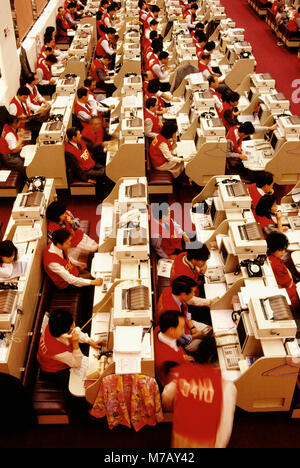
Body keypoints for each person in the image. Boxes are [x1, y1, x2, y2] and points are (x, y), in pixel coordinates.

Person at [162, 361, 237, 448]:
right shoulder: (224, 385)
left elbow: (166, 397)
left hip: (181, 433)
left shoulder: (180, 372)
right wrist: (219, 445)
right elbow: (226, 423)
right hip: (204, 438)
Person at [37, 308, 104, 391]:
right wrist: (75, 343)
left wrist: (89, 341)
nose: (74, 326)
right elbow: (76, 363)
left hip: (63, 353)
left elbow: (75, 332)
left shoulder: (55, 325)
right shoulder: (55, 350)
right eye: (71, 325)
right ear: (64, 332)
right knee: (80, 385)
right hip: (54, 369)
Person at [156, 276, 217, 363]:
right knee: (208, 344)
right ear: (184, 294)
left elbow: (185, 313)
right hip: (183, 338)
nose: (193, 295)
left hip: (184, 328)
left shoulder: (171, 292)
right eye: (192, 293)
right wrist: (197, 335)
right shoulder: (172, 312)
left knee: (212, 331)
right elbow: (180, 339)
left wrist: (192, 327)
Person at [170, 241, 219, 324]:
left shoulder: (184, 255)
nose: (204, 263)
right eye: (202, 261)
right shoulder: (184, 276)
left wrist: (202, 266)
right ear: (194, 259)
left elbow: (195, 266)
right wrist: (210, 302)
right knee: (211, 315)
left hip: (190, 290)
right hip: (187, 301)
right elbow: (190, 300)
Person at [46, 201, 98, 269]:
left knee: (94, 248)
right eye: (62, 214)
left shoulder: (67, 213)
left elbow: (77, 225)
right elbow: (54, 245)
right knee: (78, 264)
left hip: (77, 236)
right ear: (56, 216)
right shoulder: (52, 229)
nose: (65, 214)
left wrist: (72, 222)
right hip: (68, 246)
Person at [154, 310, 195, 388]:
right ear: (171, 330)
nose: (184, 331)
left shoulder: (158, 329)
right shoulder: (167, 361)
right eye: (182, 328)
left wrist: (183, 357)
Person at [266, 231, 300, 311]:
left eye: (284, 249)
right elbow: (288, 283)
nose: (283, 252)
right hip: (291, 297)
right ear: (273, 249)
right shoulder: (277, 265)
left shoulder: (270, 258)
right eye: (281, 250)